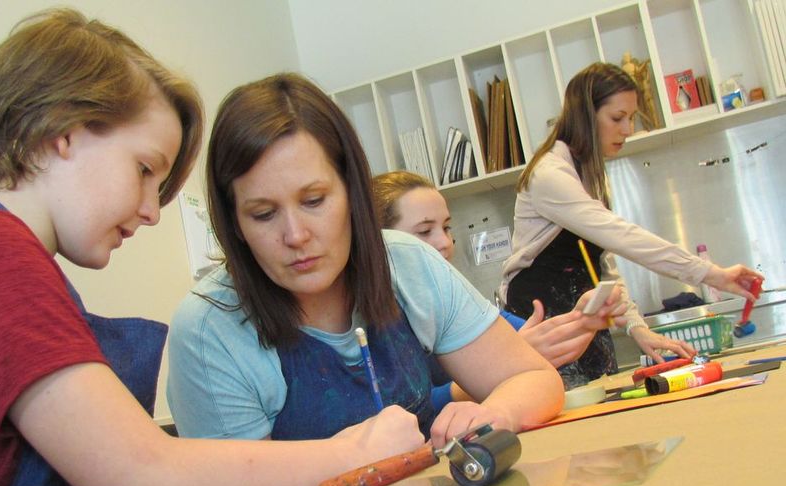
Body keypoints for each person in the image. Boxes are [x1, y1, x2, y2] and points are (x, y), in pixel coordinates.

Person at [0, 11, 425, 486]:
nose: (150, 212)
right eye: (144, 170)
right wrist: (355, 453)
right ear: (59, 131)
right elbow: (148, 482)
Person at [167, 73, 564, 453]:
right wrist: (354, 457)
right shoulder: (209, 329)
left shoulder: (408, 264)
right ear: (234, 223)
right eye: (263, 214)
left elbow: (533, 378)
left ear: (352, 192)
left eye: (314, 201)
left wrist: (494, 413)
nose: (296, 236)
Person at [500, 62, 763, 380]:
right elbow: (622, 236)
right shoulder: (549, 174)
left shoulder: (587, 177)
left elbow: (603, 268)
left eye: (631, 118)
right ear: (585, 115)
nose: (628, 129)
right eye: (617, 118)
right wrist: (710, 274)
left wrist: (639, 329)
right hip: (542, 323)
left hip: (583, 320)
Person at [372, 170, 626, 402]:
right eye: (425, 231)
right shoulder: (372, 329)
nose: (445, 242)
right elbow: (404, 415)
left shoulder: (458, 302)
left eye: (447, 227)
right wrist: (503, 370)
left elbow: (532, 338)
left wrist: (582, 320)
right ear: (382, 240)